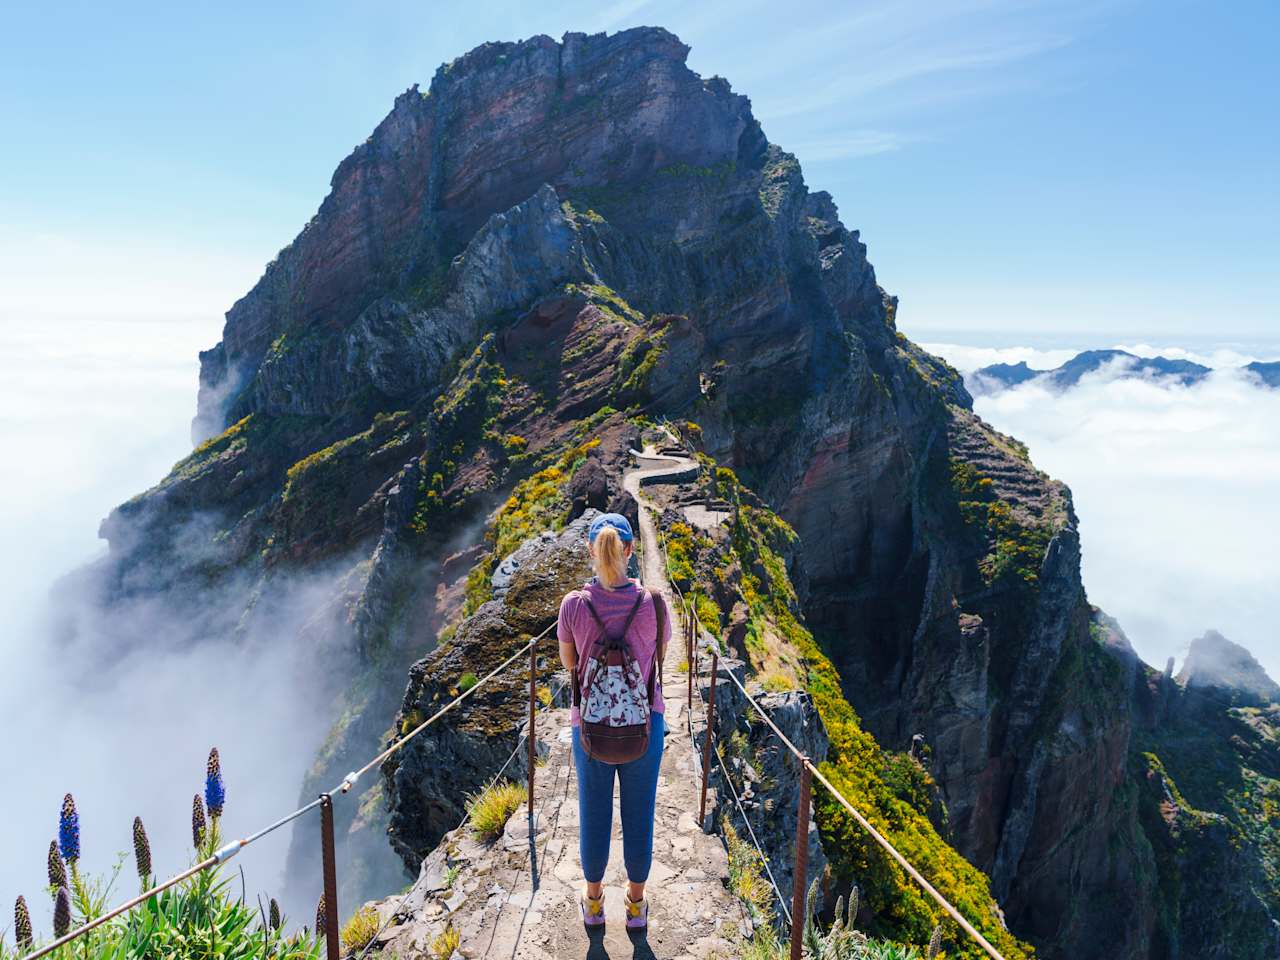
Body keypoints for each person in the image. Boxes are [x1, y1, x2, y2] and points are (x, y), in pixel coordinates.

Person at [558, 512, 670, 930]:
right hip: (644, 726)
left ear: (591, 549)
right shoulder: (654, 603)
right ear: (629, 550)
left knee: (593, 813)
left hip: (589, 728)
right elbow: (660, 657)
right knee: (639, 813)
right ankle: (637, 908)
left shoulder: (574, 605)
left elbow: (569, 663)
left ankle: (593, 903)